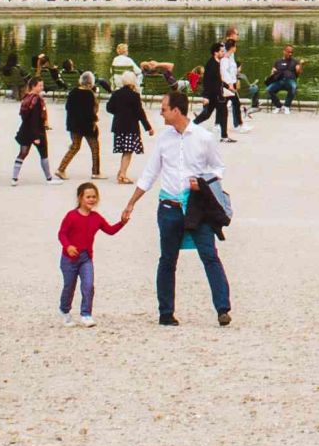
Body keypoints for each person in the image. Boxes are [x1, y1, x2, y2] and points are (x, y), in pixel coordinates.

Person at [116, 88, 231, 327]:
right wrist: (131, 203)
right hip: (169, 206)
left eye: (164, 109)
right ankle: (166, 312)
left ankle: (222, 308)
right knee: (167, 259)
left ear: (176, 111)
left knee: (209, 255)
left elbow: (218, 169)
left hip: (197, 207)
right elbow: (150, 173)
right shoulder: (163, 139)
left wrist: (202, 183)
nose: (161, 114)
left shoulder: (204, 137)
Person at [56, 180, 127, 326]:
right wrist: (68, 246)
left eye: (94, 197)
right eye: (88, 197)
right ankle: (64, 310)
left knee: (88, 285)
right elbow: (62, 234)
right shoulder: (71, 216)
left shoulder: (96, 218)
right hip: (69, 259)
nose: (91, 199)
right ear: (80, 198)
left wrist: (122, 222)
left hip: (86, 258)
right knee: (69, 286)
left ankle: (86, 314)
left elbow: (110, 230)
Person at [58, 72, 102, 180]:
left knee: (75, 147)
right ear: (91, 82)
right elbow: (93, 110)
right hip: (87, 125)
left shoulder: (73, 92)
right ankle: (95, 172)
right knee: (94, 148)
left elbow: (68, 107)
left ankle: (61, 169)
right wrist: (94, 121)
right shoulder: (90, 94)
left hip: (74, 125)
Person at [107, 74, 150, 184]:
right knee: (128, 151)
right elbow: (140, 113)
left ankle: (121, 171)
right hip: (130, 127)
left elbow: (109, 108)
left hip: (118, 126)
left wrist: (119, 112)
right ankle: (122, 174)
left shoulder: (116, 94)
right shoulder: (134, 95)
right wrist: (148, 127)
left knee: (125, 150)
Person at [11, 78, 55, 182]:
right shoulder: (37, 100)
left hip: (25, 130)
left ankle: (14, 177)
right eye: (40, 85)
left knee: (23, 153)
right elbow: (35, 118)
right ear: (34, 86)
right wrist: (36, 136)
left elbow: (24, 116)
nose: (42, 88)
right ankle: (49, 178)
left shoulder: (26, 97)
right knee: (44, 154)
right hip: (37, 131)